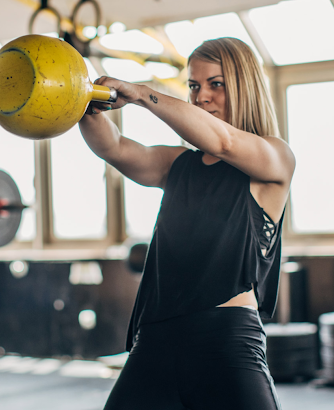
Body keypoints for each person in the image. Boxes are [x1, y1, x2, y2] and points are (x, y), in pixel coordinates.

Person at [79, 37, 295, 410]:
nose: (201, 97)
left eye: (216, 84)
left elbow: (225, 143)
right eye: (194, 86)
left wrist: (144, 95)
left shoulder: (273, 158)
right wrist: (83, 105)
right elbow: (113, 148)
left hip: (224, 343)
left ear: (244, 87)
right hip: (155, 342)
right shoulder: (178, 164)